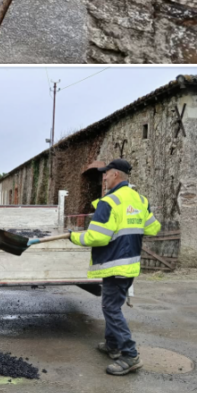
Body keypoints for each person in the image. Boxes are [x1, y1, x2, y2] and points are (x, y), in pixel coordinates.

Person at [61, 158, 161, 375]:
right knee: (113, 305)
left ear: (115, 174)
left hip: (115, 265)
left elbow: (97, 237)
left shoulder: (109, 202)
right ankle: (112, 345)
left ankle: (130, 355)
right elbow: (153, 228)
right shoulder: (140, 200)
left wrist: (73, 237)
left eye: (106, 173)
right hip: (130, 264)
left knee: (111, 308)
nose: (104, 177)